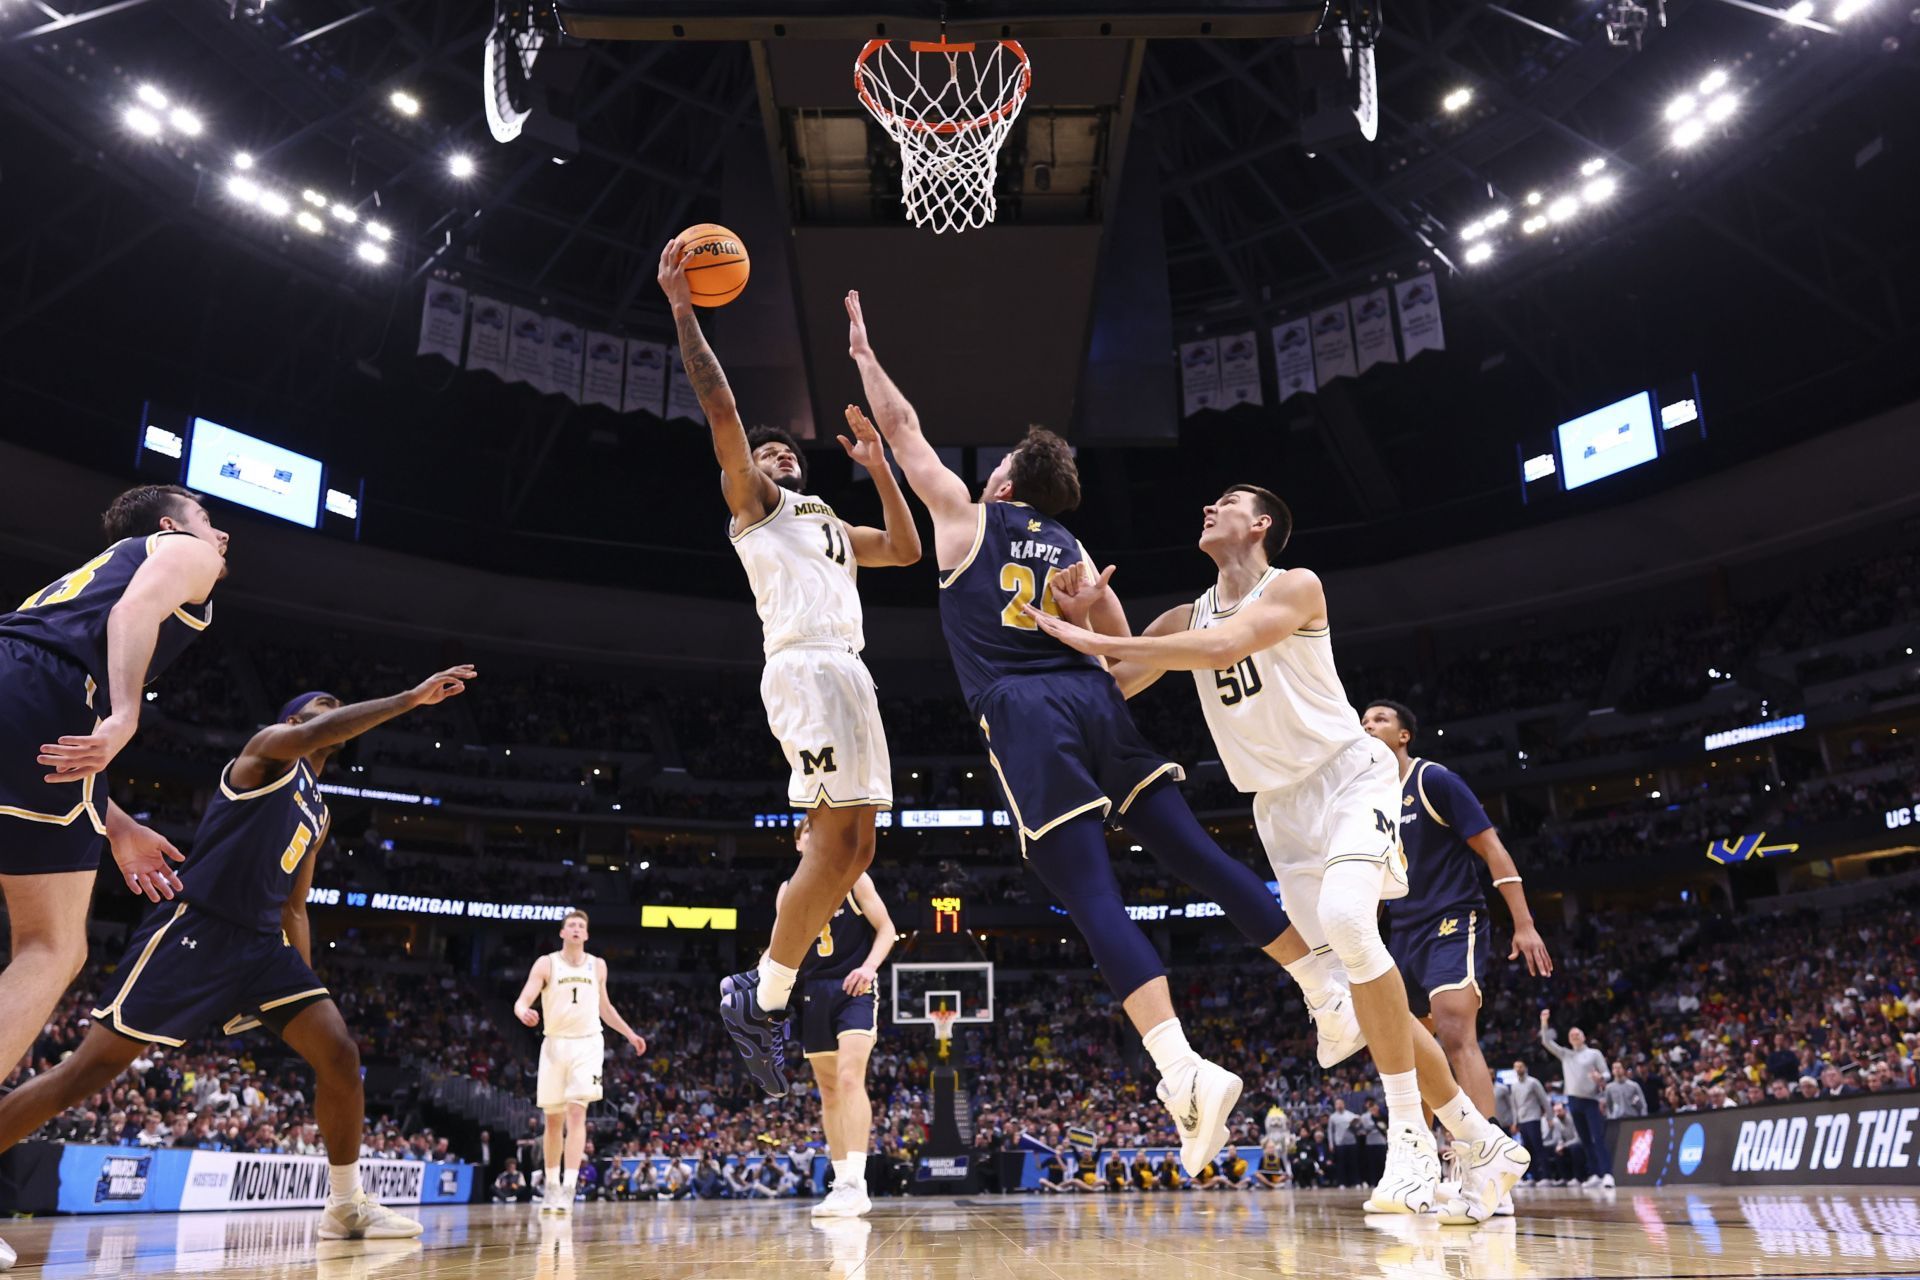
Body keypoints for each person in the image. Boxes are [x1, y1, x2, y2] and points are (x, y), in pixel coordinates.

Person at [843, 291, 1344, 1180]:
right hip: (1097, 699)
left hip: (1027, 713)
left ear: (1001, 484)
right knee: (1194, 853)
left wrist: (863, 353)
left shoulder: (966, 517)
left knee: (1092, 896)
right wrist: (1089, 612)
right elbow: (1123, 647)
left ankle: (1184, 1071)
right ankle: (1320, 987)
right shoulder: (1070, 546)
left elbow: (905, 424)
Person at [1026, 484, 1530, 1220]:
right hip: (1279, 812)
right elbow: (1113, 685)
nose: (1208, 506)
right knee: (1357, 993)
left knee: (1353, 931)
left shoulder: (1294, 585)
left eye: (1226, 501)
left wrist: (1103, 637)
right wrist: (1092, 619)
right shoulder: (1183, 617)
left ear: (1260, 524)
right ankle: (1480, 1140)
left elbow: (1226, 645)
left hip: (1348, 781)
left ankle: (1411, 1144)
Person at [0, 670, 476, 1251]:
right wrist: (409, 700)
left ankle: (346, 1204)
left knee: (340, 1054)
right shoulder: (266, 754)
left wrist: (301, 983)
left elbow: (295, 905)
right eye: (320, 708)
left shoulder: (317, 811)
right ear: (294, 721)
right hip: (196, 930)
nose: (332, 713)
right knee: (86, 1073)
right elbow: (311, 730)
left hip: (261, 947)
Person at [657, 244, 921, 1102]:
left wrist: (882, 472)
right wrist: (685, 311)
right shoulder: (760, 511)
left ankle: (760, 994)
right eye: (766, 456)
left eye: (784, 454)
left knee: (857, 849)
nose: (777, 458)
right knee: (835, 845)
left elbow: (909, 549)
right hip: (807, 671)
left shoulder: (832, 525)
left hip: (848, 674)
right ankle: (761, 993)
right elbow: (722, 408)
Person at [0, 487, 228, 1139]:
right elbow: (136, 611)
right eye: (208, 521)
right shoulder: (185, 553)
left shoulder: (74, 590)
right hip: (43, 691)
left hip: (16, 682)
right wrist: (125, 716)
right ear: (170, 526)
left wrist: (117, 824)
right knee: (52, 947)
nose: (220, 537)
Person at [1360, 701, 1552, 1123]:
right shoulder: (1368, 799)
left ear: (1404, 735)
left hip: (1451, 918)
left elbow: (1492, 849)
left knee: (1452, 1030)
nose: (1369, 726)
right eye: (1363, 722)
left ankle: (1487, 1159)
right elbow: (1373, 883)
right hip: (1401, 934)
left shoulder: (1434, 779)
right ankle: (1422, 1160)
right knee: (1410, 1050)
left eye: (1379, 720)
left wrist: (1524, 924)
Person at [770, 816, 896, 1218]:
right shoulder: (788, 892)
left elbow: (888, 930)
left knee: (848, 1077)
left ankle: (856, 1182)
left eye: (820, 831)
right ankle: (842, 1184)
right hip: (813, 991)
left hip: (853, 987)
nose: (815, 836)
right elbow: (779, 950)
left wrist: (870, 968)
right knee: (827, 1090)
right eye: (809, 831)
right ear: (798, 844)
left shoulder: (854, 878)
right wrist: (760, 990)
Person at [513, 910, 648, 1213]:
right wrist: (523, 1012)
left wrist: (629, 1034)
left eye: (581, 926)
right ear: (562, 933)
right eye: (571, 925)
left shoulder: (597, 965)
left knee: (577, 1113)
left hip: (587, 1044)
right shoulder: (547, 963)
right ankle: (550, 1185)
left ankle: (569, 1188)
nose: (576, 929)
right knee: (553, 1120)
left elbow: (605, 1007)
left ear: (586, 935)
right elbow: (523, 1000)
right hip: (554, 1044)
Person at [1540, 1008, 1613, 1187]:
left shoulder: (1594, 1054)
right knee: (1585, 1140)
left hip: (1591, 1100)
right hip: (1573, 1101)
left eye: (1577, 1033)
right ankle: (1595, 1174)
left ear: (1584, 1037)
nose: (1574, 1036)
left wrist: (1600, 1078)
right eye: (1571, 1034)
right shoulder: (1566, 1055)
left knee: (1598, 1138)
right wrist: (1544, 1022)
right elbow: (1546, 1042)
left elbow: (1607, 1073)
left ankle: (1607, 1174)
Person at [1510, 1059, 1551, 1181]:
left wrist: (1550, 1116)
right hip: (1522, 1121)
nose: (1518, 1069)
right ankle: (1534, 1177)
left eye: (1520, 1066)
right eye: (1516, 1067)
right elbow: (1514, 1105)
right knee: (1527, 1149)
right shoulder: (1514, 1086)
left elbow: (1544, 1100)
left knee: (1538, 1147)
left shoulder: (1533, 1082)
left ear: (1525, 1068)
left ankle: (1546, 1177)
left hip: (1533, 1118)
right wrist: (1515, 1122)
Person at [1543, 1102, 1581, 1185]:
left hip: (1577, 1144)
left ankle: (1578, 1177)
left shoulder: (1573, 1119)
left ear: (1565, 1110)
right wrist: (1560, 1145)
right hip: (1566, 1145)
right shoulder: (1556, 1121)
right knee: (1556, 1150)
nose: (1557, 1113)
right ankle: (1565, 1178)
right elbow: (1559, 1138)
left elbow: (1578, 1138)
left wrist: (1563, 1145)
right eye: (1555, 1111)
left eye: (1559, 1111)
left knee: (1575, 1148)